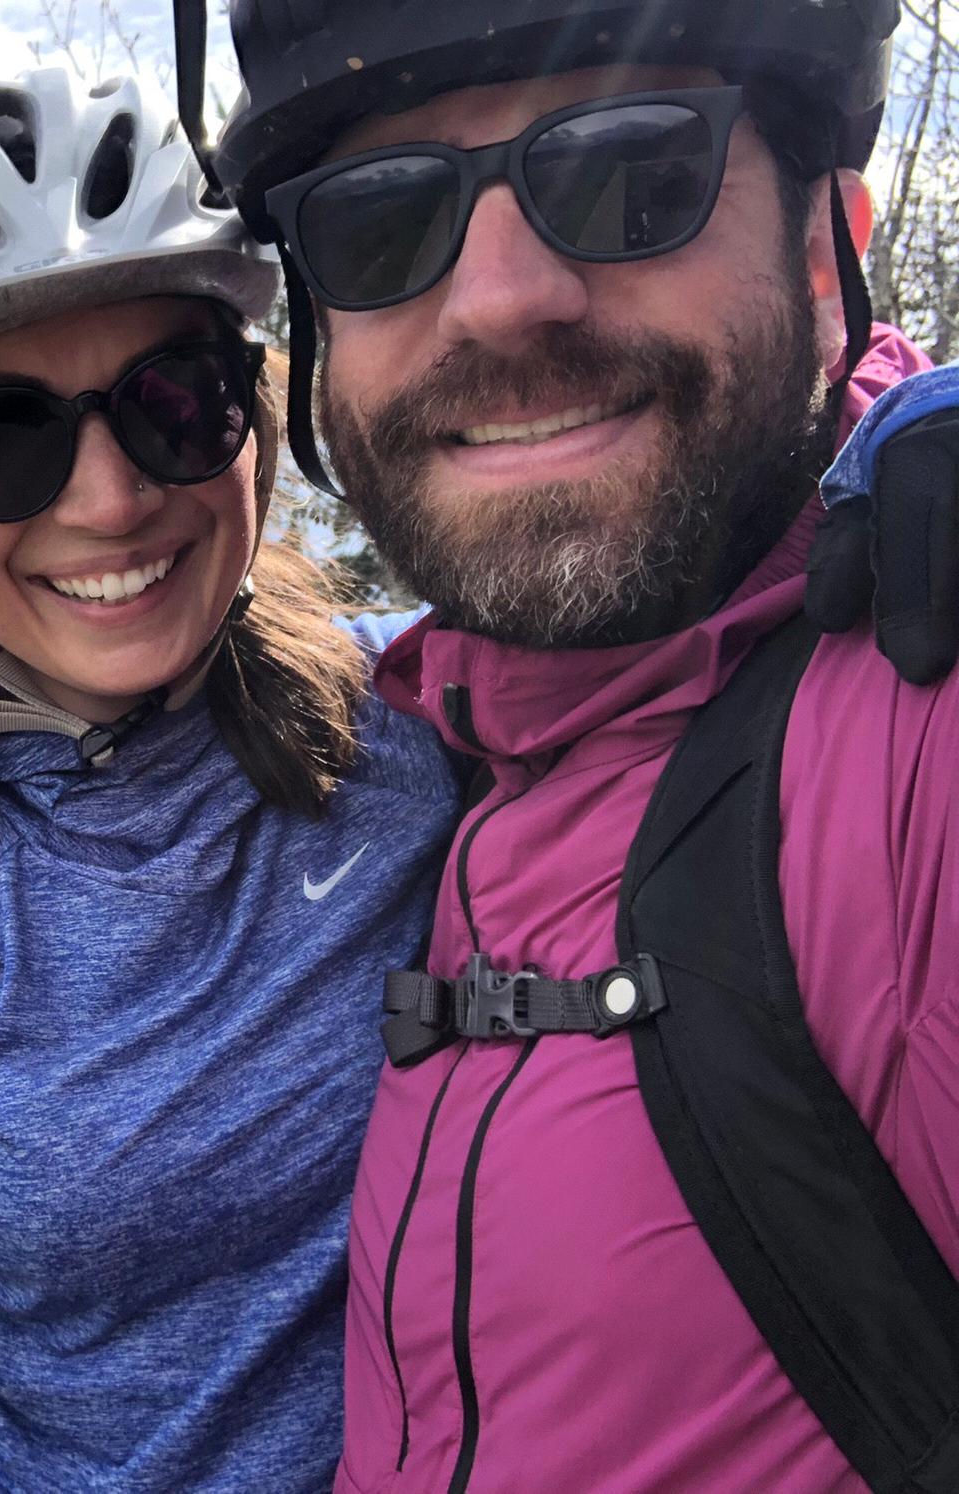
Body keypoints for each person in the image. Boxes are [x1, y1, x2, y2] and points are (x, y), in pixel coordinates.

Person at [191, 0, 959, 1487]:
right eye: (379, 219)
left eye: (629, 172)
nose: (497, 298)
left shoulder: (916, 709)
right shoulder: (436, 735)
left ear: (829, 242)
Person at [0, 67, 462, 1491]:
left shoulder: (436, 715)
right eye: (2, 435)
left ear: (257, 424)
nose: (108, 498)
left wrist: (900, 442)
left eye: (176, 401)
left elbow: (716, 597)